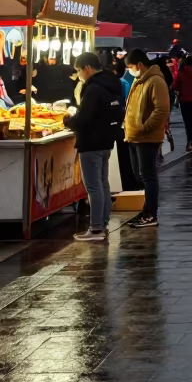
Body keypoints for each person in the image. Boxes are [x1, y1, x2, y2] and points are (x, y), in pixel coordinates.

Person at [63, 51, 123, 241]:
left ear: (87, 68)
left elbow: (84, 117)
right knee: (103, 184)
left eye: (79, 71)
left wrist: (68, 121)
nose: (79, 75)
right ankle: (102, 223)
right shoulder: (112, 84)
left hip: (91, 142)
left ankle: (96, 228)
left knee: (93, 186)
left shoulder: (93, 88)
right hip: (107, 140)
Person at [124, 49, 171, 228]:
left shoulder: (155, 81)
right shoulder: (139, 80)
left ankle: (151, 213)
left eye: (130, 66)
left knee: (148, 175)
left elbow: (161, 109)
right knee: (141, 175)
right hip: (134, 136)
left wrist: (145, 127)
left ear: (140, 65)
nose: (130, 70)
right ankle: (146, 211)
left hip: (147, 138)